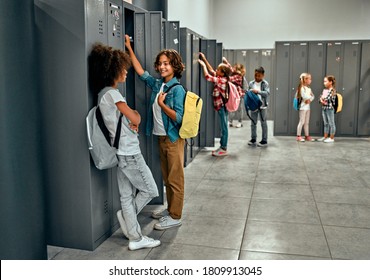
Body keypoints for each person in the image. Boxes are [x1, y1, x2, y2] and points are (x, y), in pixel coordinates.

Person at [89, 43, 160, 250]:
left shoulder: (102, 94)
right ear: (113, 70)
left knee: (126, 195)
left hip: (120, 152)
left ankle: (136, 238)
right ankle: (129, 221)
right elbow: (135, 118)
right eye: (123, 69)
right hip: (130, 153)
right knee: (150, 189)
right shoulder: (114, 94)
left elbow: (121, 120)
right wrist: (134, 117)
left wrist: (129, 121)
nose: (126, 72)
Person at [124, 35, 186, 230]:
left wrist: (161, 104)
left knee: (175, 178)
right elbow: (142, 72)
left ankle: (176, 215)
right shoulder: (159, 85)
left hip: (173, 139)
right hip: (161, 137)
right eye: (159, 64)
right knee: (167, 178)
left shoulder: (177, 89)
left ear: (174, 66)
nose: (161, 67)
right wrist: (129, 48)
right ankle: (170, 209)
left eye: (166, 64)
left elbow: (179, 118)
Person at [198, 52, 232, 156]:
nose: (216, 70)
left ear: (222, 73)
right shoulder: (222, 78)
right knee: (223, 126)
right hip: (221, 107)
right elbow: (212, 70)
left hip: (222, 107)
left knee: (224, 127)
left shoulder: (222, 81)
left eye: (219, 70)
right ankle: (222, 146)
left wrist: (203, 66)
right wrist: (204, 59)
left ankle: (224, 148)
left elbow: (208, 76)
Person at [247, 67, 270, 147]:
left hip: (262, 106)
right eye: (255, 75)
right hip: (253, 106)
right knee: (253, 123)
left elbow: (267, 93)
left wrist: (257, 92)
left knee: (263, 123)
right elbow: (249, 94)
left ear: (263, 75)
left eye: (259, 76)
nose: (257, 77)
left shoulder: (265, 83)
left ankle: (264, 140)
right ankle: (253, 139)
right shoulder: (251, 83)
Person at [222, 58, 247, 128]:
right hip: (233, 94)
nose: (233, 68)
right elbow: (231, 69)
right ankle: (230, 121)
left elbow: (229, 79)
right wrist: (226, 62)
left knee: (239, 109)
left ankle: (240, 122)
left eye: (235, 67)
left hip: (238, 95)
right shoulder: (234, 74)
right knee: (231, 108)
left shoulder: (238, 76)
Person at [296, 73, 315, 142]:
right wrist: (309, 98)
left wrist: (309, 100)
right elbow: (305, 97)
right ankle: (298, 136)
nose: (311, 80)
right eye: (310, 79)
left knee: (306, 123)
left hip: (308, 108)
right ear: (305, 80)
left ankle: (307, 136)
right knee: (302, 122)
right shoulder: (301, 88)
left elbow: (313, 96)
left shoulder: (309, 88)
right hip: (303, 108)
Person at [318, 75, 337, 143]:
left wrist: (322, 99)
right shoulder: (325, 90)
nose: (324, 83)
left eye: (325, 81)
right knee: (326, 123)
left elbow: (327, 99)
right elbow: (320, 98)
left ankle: (331, 138)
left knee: (331, 123)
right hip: (324, 108)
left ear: (330, 82)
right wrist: (321, 99)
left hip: (330, 109)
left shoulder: (333, 90)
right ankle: (325, 137)